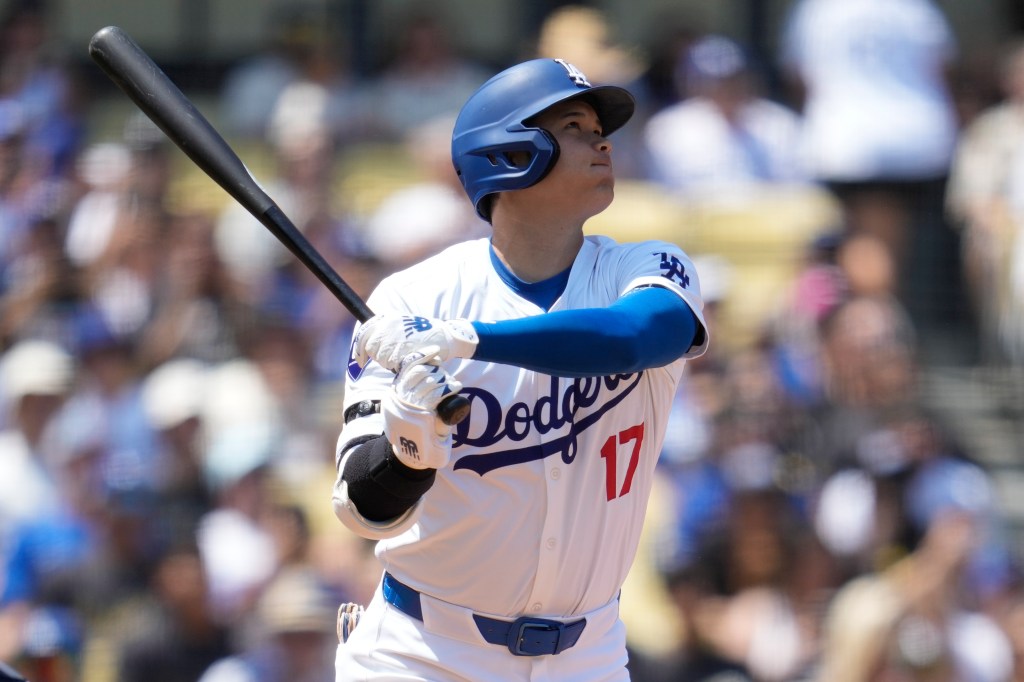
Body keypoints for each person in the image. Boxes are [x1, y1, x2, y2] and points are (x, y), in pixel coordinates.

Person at [332, 58, 708, 680]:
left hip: (586, 655)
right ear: (510, 153)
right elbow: (363, 508)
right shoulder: (411, 300)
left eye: (599, 127)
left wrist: (466, 341)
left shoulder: (644, 267)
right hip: (421, 653)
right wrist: (408, 447)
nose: (602, 141)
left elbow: (636, 336)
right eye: (575, 126)